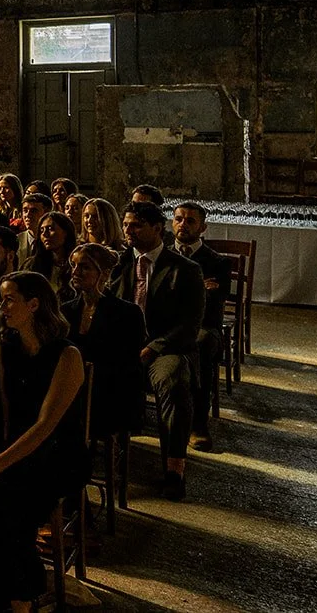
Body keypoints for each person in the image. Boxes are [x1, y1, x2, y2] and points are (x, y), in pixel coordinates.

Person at [0, 271, 86, 613]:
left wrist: (2, 462)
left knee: (6, 496)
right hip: (13, 446)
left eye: (9, 299)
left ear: (34, 304)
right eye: (0, 299)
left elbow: (46, 424)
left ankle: (24, 594)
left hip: (56, 453)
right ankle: (4, 586)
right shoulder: (5, 349)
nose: (2, 306)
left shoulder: (67, 356)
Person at [110, 201, 206, 500]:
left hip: (166, 347)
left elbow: (190, 325)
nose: (129, 231)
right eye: (126, 225)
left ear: (157, 229)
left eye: (136, 225)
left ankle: (174, 468)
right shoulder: (118, 263)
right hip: (124, 346)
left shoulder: (185, 270)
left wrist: (153, 347)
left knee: (172, 381)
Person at [62, 243, 146, 440]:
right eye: (74, 266)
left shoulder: (127, 313)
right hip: (75, 388)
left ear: (105, 273)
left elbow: (127, 364)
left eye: (85, 267)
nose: (76, 272)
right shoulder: (66, 310)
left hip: (111, 392)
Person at [172, 200, 232, 451]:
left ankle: (198, 424)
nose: (183, 225)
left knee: (202, 344)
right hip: (167, 324)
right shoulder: (163, 255)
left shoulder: (216, 262)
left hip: (203, 327)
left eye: (190, 221)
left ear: (203, 227)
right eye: (178, 219)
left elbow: (212, 305)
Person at [28, 209, 77, 288]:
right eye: (41, 230)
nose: (44, 234)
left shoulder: (76, 265)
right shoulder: (32, 265)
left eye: (50, 229)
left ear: (65, 232)